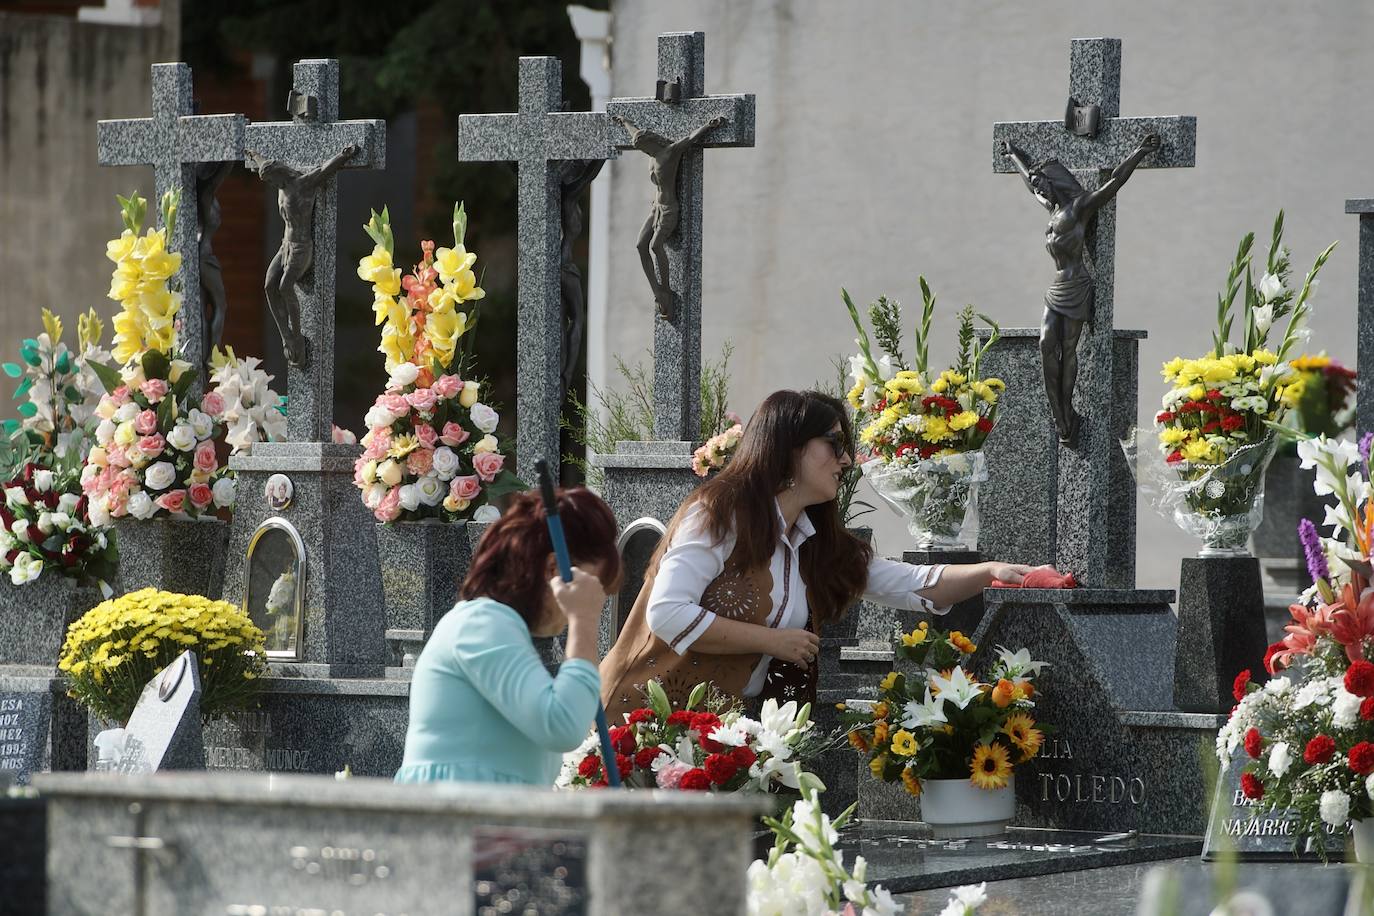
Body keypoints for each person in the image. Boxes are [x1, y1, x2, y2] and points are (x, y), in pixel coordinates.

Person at [600, 390, 1033, 720]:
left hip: (714, 731)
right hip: (639, 725)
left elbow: (910, 583)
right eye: (834, 444)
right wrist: (773, 641)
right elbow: (668, 613)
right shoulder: (718, 513)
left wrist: (993, 572)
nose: (846, 460)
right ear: (789, 447)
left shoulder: (813, 540)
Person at [396, 488, 620, 785]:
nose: (594, 602)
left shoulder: (498, 628)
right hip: (454, 823)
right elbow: (562, 725)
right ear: (554, 568)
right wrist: (584, 619)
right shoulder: (481, 623)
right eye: (591, 589)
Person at [999, 133, 1160, 445]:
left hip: (1077, 284)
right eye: (1036, 184)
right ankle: (1058, 413)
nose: (1038, 189)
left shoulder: (1080, 207)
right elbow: (1028, 183)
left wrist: (1138, 152)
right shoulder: (1052, 209)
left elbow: (1113, 182)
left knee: (1068, 349)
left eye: (1041, 183)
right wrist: (1013, 156)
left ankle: (1067, 412)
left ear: (1054, 181)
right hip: (1057, 286)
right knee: (1046, 344)